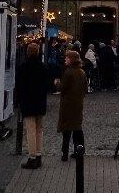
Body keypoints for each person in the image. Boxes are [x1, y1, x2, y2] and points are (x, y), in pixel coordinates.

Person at [14, 41, 49, 170]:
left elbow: (19, 86)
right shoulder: (43, 67)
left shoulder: (23, 67)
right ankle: (39, 155)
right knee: (39, 130)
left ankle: (32, 157)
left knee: (30, 130)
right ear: (38, 52)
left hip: (28, 102)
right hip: (40, 102)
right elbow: (47, 86)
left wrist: (18, 101)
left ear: (28, 52)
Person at [55, 47, 88, 160]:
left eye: (67, 57)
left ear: (72, 59)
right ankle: (79, 151)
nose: (65, 59)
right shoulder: (82, 72)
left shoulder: (69, 72)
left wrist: (57, 83)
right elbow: (85, 89)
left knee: (66, 130)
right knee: (77, 128)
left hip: (68, 105)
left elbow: (63, 88)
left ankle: (64, 154)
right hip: (78, 104)